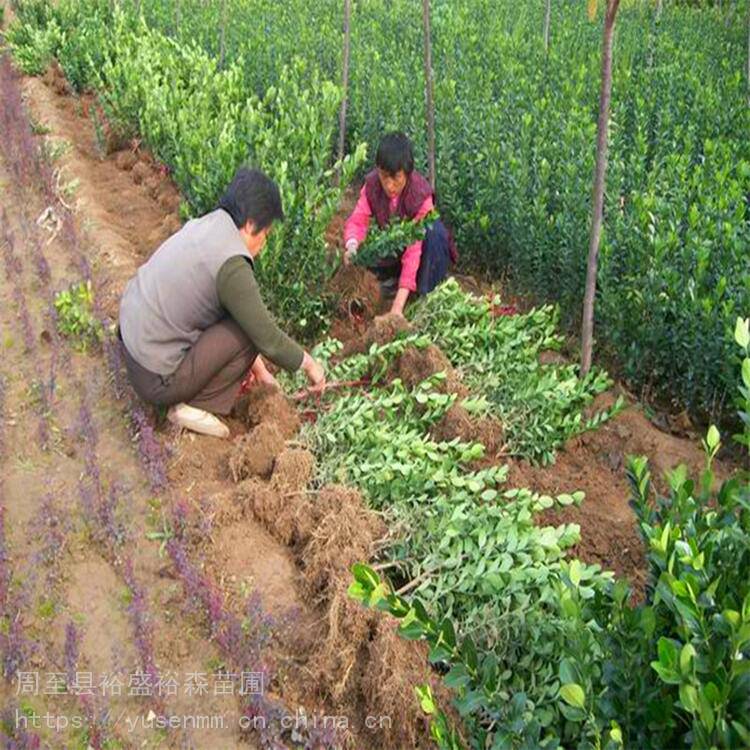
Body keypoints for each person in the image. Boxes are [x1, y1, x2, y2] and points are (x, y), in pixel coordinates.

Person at [118, 167, 326, 439]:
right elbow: (265, 337)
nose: (264, 242)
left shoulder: (208, 225)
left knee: (240, 325)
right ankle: (191, 406)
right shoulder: (232, 264)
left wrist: (261, 374)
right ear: (252, 224)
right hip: (154, 377)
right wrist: (310, 365)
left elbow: (227, 312)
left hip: (132, 341)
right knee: (248, 334)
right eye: (267, 232)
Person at [342, 132, 456, 316]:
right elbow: (358, 220)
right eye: (384, 176)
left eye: (396, 178)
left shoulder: (421, 195)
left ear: (407, 173)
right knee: (373, 244)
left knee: (434, 231)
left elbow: (413, 251)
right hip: (395, 252)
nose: (389, 185)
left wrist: (397, 308)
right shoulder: (372, 185)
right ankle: (392, 278)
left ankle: (425, 290)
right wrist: (352, 245)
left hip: (424, 255)